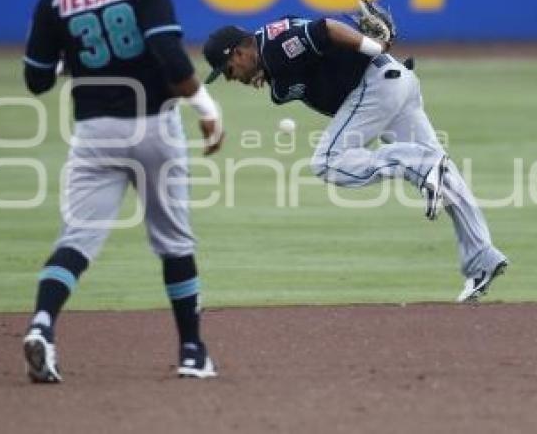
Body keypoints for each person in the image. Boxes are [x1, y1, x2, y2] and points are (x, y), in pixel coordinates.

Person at [20, 0, 223, 382]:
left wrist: (75, 55)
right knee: (174, 241)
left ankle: (43, 326)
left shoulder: (54, 0)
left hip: (95, 132)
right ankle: (193, 351)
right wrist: (207, 106)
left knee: (79, 238)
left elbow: (36, 80)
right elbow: (169, 56)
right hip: (155, 124)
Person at [202, 15, 507, 302]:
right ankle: (482, 257)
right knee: (443, 173)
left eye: (228, 69)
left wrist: (373, 47)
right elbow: (306, 65)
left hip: (375, 86)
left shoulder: (276, 45)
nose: (230, 78)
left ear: (240, 52)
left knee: (328, 161)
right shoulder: (271, 57)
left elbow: (326, 29)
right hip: (394, 83)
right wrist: (267, 74)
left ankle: (420, 166)